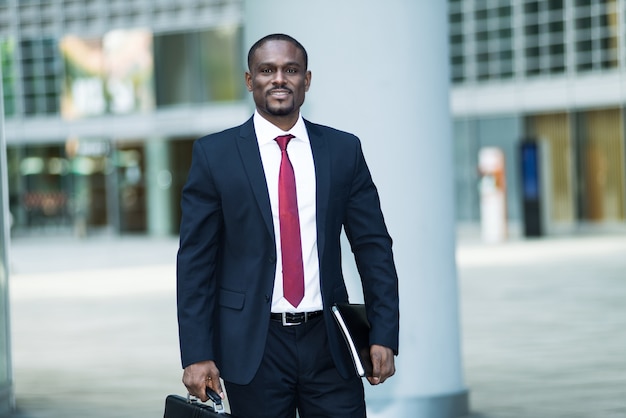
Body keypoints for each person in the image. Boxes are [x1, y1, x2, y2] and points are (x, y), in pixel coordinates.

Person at [176, 33, 399, 418]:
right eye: (267, 70)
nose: (279, 79)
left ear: (306, 80)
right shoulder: (215, 156)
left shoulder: (344, 151)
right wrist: (197, 354)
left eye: (290, 70)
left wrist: (383, 333)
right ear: (250, 81)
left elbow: (373, 247)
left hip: (330, 342)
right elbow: (195, 262)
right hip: (252, 347)